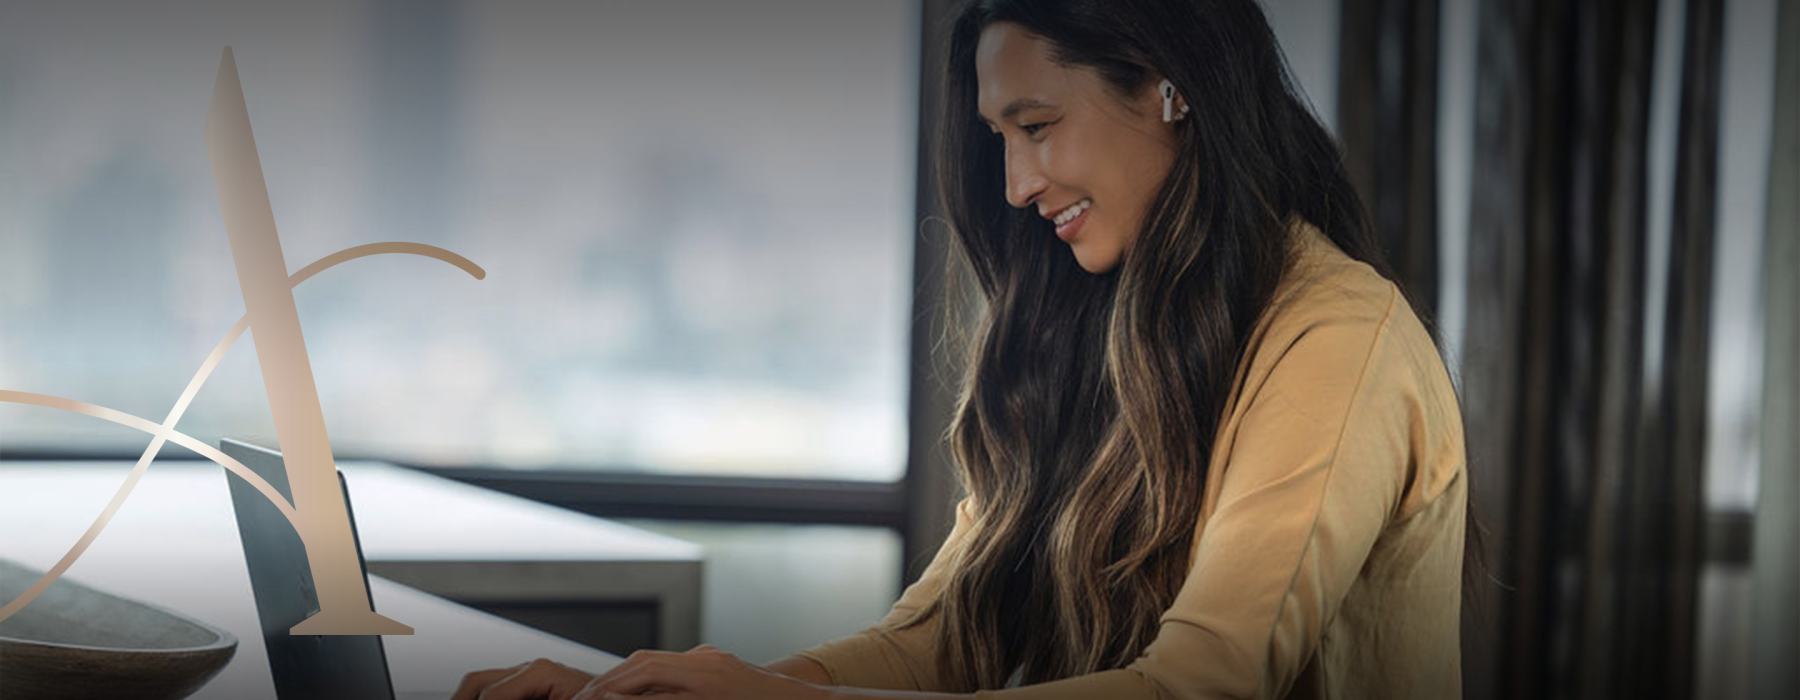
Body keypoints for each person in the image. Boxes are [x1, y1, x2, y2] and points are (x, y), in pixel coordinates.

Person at [452, 0, 1470, 697]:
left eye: (1039, 124)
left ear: (1172, 88)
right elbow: (947, 633)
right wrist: (681, 686)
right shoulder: (1097, 318)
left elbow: (1199, 684)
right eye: (1000, 140)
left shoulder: (1337, 338)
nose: (1017, 184)